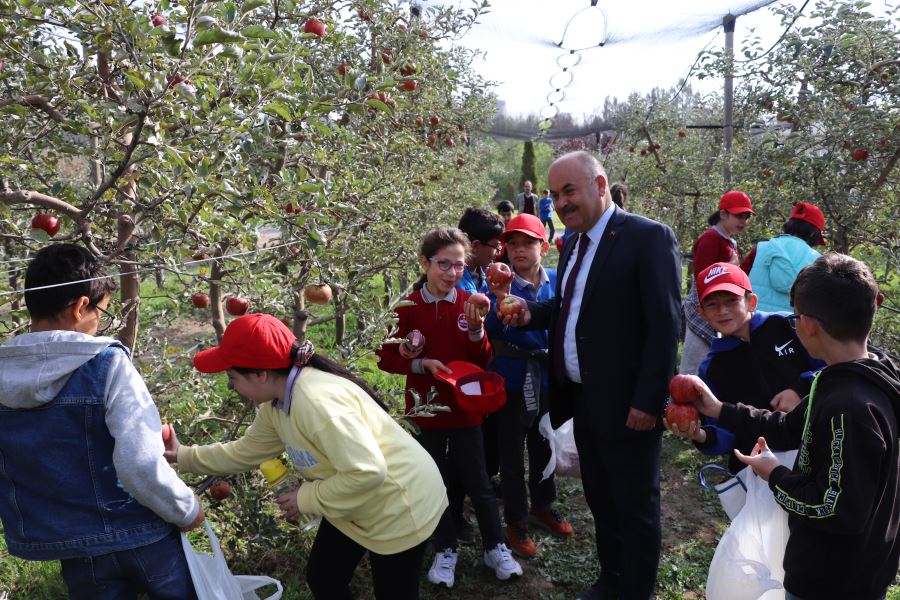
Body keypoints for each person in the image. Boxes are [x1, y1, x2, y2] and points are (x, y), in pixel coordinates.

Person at [494, 151, 682, 600]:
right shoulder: (575, 242)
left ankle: (637, 591)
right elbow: (569, 309)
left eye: (569, 192)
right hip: (582, 398)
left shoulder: (648, 238)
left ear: (600, 185)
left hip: (627, 402)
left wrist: (648, 401)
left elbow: (665, 326)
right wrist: (530, 312)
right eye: (555, 195)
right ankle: (612, 579)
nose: (560, 203)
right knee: (601, 496)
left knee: (635, 504)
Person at [165, 313, 447, 600]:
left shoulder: (316, 403)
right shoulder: (276, 404)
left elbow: (369, 471)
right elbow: (244, 452)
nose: (233, 387)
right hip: (355, 502)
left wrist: (305, 497)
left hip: (399, 505)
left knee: (394, 592)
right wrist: (182, 456)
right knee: (324, 578)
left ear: (261, 374)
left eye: (233, 379)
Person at [690, 252, 900, 600]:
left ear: (809, 325)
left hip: (834, 582)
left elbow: (834, 509)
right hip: (856, 568)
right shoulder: (846, 380)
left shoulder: (848, 407)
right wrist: (718, 410)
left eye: (797, 316)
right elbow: (787, 427)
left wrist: (774, 475)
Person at [0, 243, 203, 600]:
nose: (99, 324)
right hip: (142, 535)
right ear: (80, 307)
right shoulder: (105, 364)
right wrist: (185, 509)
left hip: (73, 546)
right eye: (102, 312)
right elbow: (138, 462)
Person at [376, 227, 522, 589]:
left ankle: (496, 546)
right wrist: (420, 364)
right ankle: (445, 548)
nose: (452, 273)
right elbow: (385, 358)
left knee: (478, 480)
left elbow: (482, 359)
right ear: (425, 263)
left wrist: (476, 331)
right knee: (433, 479)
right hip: (424, 410)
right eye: (444, 264)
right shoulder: (406, 308)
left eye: (459, 266)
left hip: (464, 408)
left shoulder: (467, 303)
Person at [665, 262, 824, 473]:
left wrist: (800, 388)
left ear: (751, 301)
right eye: (712, 304)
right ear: (701, 312)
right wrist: (701, 435)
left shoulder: (787, 325)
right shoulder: (712, 368)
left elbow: (831, 366)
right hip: (762, 470)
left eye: (732, 300)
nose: (723, 311)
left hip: (817, 447)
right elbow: (725, 431)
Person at [484, 214, 572, 559]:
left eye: (528, 243)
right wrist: (499, 298)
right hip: (511, 379)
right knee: (510, 452)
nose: (519, 250)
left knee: (544, 444)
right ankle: (516, 518)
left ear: (544, 247)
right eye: (513, 244)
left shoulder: (557, 282)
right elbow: (493, 329)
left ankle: (543, 504)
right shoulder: (498, 283)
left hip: (547, 377)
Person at [680, 190, 754, 376]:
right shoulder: (711, 239)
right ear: (723, 214)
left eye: (746, 217)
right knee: (695, 363)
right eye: (738, 216)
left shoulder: (729, 241)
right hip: (706, 306)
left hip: (720, 307)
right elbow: (701, 277)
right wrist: (729, 267)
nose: (743, 221)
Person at [742, 201, 825, 313]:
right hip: (791, 326)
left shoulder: (761, 248)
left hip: (754, 321)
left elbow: (739, 280)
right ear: (813, 234)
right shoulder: (817, 260)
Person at [456, 207, 505, 294]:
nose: (498, 253)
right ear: (475, 246)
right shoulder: (455, 285)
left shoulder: (484, 276)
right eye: (496, 246)